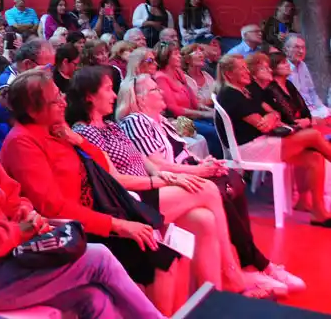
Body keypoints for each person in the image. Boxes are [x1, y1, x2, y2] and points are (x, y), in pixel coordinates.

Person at [0, 69, 166, 318]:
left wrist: (23, 212)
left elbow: (14, 196)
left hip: (15, 254)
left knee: (94, 297)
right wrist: (20, 231)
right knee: (99, 258)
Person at [1, 70, 187, 314]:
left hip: (97, 213)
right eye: (55, 100)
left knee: (174, 251)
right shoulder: (22, 142)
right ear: (34, 111)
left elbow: (102, 163)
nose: (64, 102)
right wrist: (118, 225)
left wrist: (75, 139)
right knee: (160, 259)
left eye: (61, 95)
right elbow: (52, 208)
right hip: (74, 228)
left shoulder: (56, 128)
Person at [117, 73, 303, 295]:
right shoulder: (136, 121)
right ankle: (253, 267)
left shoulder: (162, 120)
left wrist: (204, 162)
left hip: (186, 173)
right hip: (170, 183)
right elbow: (159, 165)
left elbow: (181, 153)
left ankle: (247, 266)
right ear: (139, 99)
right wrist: (198, 170)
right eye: (154, 89)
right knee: (218, 191)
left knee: (232, 179)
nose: (161, 91)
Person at [68, 66, 246, 293]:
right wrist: (163, 181)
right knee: (208, 189)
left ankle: (212, 293)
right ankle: (231, 272)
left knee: (204, 220)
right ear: (89, 96)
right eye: (108, 89)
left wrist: (164, 175)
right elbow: (116, 181)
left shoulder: (111, 126)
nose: (114, 95)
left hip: (149, 188)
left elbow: (142, 159)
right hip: (130, 200)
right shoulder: (86, 132)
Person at [222, 53, 331, 226]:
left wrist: (271, 116)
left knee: (315, 158)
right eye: (242, 68)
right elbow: (263, 125)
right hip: (249, 149)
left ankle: (318, 212)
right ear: (229, 74)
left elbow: (272, 115)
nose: (247, 71)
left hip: (261, 143)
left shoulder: (244, 92)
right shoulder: (231, 95)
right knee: (314, 135)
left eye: (246, 67)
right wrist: (272, 117)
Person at [284, 34, 330, 119]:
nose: (301, 51)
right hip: (301, 114)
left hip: (313, 109)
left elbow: (312, 92)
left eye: (303, 48)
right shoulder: (284, 69)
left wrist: (322, 108)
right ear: (286, 49)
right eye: (297, 47)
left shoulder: (303, 65)